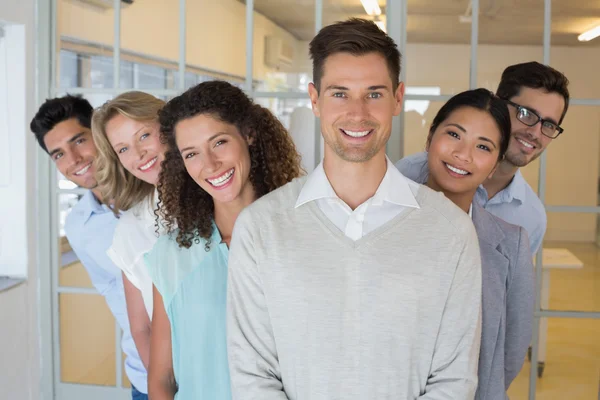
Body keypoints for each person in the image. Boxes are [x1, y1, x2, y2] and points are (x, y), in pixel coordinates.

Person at [227, 18, 483, 400]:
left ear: (398, 98)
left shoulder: (451, 230)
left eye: (374, 94)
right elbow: (253, 375)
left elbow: (454, 378)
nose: (358, 112)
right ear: (315, 100)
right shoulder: (261, 226)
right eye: (340, 93)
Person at [143, 80, 302, 399]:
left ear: (249, 134)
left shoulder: (305, 235)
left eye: (219, 143)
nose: (210, 165)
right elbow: (162, 377)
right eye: (192, 154)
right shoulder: (172, 254)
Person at [397, 88, 534, 399]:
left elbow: (511, 349)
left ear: (496, 163)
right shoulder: (380, 220)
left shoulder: (511, 244)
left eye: (483, 146)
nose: (463, 154)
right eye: (454, 134)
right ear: (431, 137)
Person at [30, 95, 149, 400]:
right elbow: (116, 295)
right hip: (145, 376)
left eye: (79, 141)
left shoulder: (157, 193)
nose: (73, 160)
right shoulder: (79, 226)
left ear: (99, 134)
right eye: (58, 154)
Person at [397, 62, 570, 255]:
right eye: (526, 114)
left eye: (549, 125)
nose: (535, 133)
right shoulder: (408, 173)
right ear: (500, 106)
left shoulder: (531, 217)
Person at [91, 91, 167, 372]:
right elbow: (142, 329)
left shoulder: (226, 198)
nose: (138, 154)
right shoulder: (130, 230)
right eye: (122, 149)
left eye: (144, 135)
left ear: (169, 125)